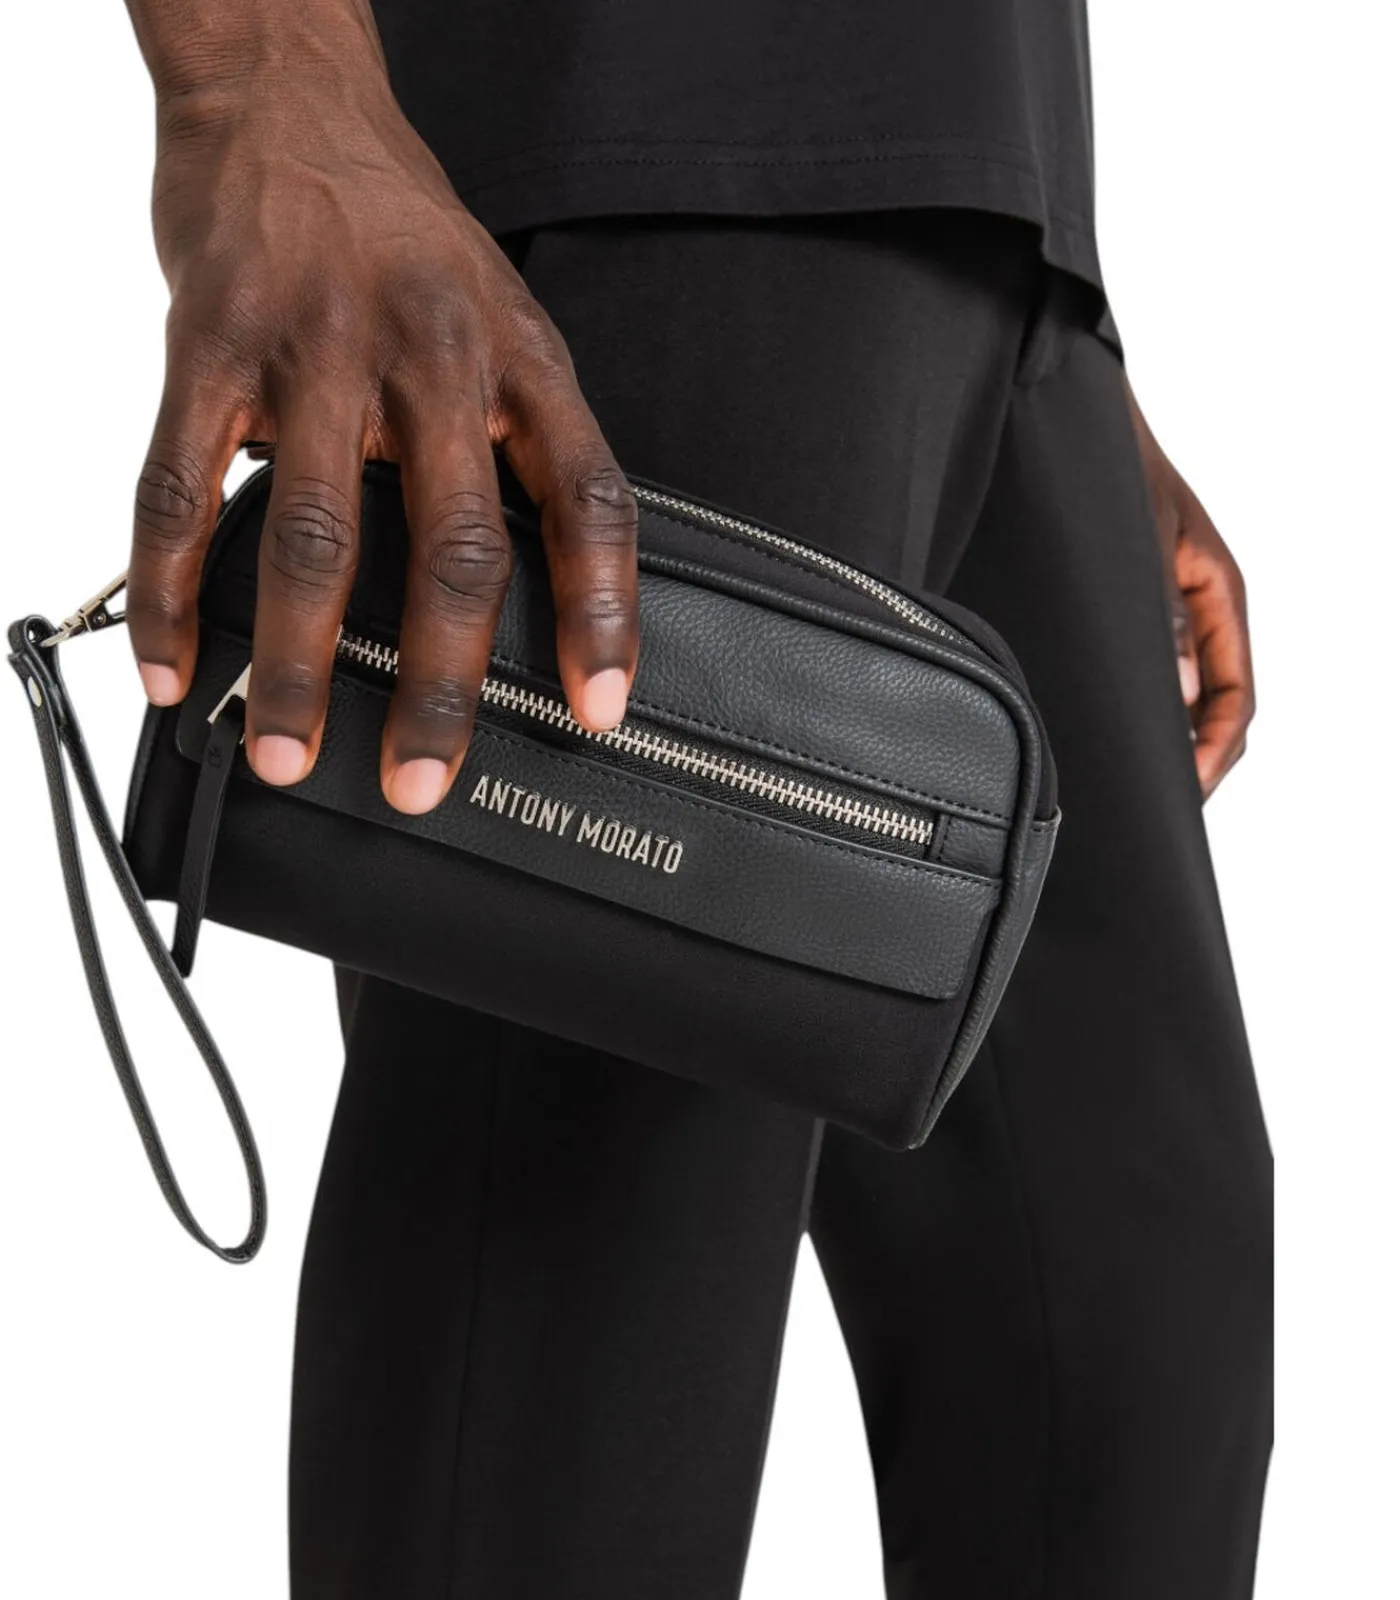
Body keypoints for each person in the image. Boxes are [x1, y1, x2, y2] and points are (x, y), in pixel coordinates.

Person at [119, 1, 1274, 1595]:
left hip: (992, 237)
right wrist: (256, 72)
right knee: (586, 1392)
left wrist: (1031, 282)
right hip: (631, 168)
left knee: (1137, 1348)